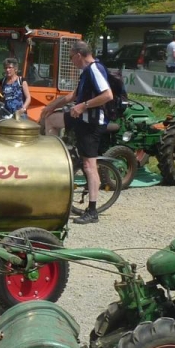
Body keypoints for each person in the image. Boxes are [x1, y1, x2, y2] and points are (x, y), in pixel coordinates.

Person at [66, 40, 114, 224]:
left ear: (79, 55)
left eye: (71, 57)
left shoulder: (94, 68)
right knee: (52, 120)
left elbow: (107, 95)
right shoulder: (87, 71)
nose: (71, 61)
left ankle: (92, 210)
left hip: (92, 123)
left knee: (89, 166)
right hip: (84, 120)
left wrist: (82, 106)